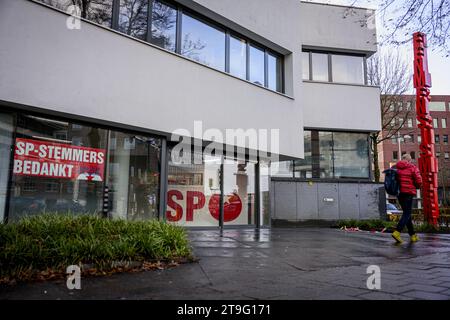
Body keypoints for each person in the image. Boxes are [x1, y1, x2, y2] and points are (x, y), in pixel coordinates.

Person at [392, 153, 422, 243]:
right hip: (409, 192)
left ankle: (412, 235)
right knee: (407, 213)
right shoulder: (412, 167)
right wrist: (417, 186)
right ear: (409, 160)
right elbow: (418, 180)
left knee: (406, 213)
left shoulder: (396, 168)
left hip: (400, 193)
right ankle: (397, 232)